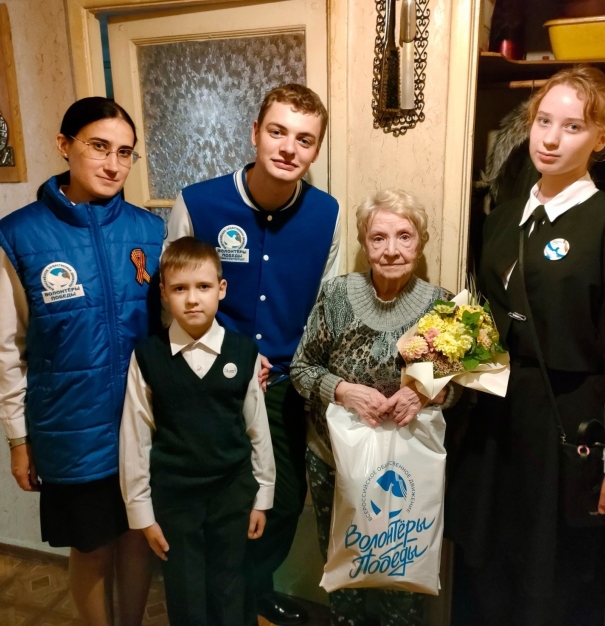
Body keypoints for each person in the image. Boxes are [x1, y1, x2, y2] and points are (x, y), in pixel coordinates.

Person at [445, 65, 605, 625]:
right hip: (493, 416)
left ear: (601, 140)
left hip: (564, 417)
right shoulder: (501, 218)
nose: (552, 139)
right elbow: (482, 315)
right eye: (543, 122)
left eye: (573, 127)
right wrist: (432, 367)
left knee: (551, 573)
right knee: (486, 564)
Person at [0, 97, 163, 626]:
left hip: (143, 423)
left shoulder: (149, 231)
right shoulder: (23, 235)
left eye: (125, 152)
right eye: (99, 147)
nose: (113, 164)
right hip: (70, 429)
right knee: (91, 547)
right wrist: (18, 438)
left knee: (138, 538)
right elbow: (6, 347)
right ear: (65, 145)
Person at [165, 83, 340, 625]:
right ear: (255, 133)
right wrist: (229, 351)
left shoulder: (327, 214)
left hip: (282, 386)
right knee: (213, 503)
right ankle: (221, 606)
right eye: (278, 132)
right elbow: (171, 294)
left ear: (316, 149)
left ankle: (248, 591)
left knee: (282, 503)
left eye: (304, 139)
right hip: (206, 381)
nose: (289, 148)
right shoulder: (198, 203)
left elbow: (324, 307)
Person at [290, 189, 459, 626]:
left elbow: (460, 388)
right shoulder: (337, 295)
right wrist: (343, 390)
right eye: (378, 238)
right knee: (346, 570)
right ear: (364, 245)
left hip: (406, 468)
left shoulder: (442, 306)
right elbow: (301, 369)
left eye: (404, 236)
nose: (391, 250)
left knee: (401, 574)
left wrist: (424, 392)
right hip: (336, 462)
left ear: (420, 243)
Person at [119, 236, 276, 626]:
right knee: (186, 593)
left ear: (221, 289)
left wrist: (263, 497)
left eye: (203, 286)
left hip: (233, 494)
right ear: (163, 292)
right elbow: (136, 438)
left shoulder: (243, 353)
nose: (192, 299)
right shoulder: (148, 357)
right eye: (179, 289)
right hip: (176, 499)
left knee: (232, 587)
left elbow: (258, 430)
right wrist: (141, 513)